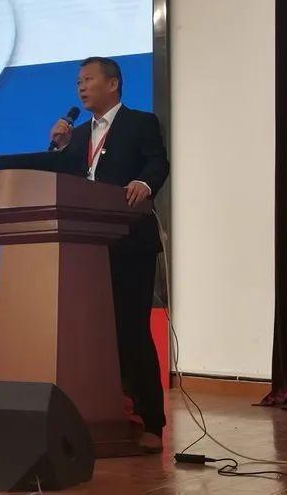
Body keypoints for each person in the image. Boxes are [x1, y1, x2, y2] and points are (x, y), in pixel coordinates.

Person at [49, 56, 169, 452]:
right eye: (78, 82)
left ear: (113, 84)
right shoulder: (79, 135)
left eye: (88, 79)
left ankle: (151, 422)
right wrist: (61, 149)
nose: (81, 87)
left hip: (130, 244)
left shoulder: (140, 123)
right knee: (94, 335)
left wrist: (144, 183)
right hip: (87, 249)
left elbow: (157, 162)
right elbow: (69, 182)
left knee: (131, 331)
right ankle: (105, 416)